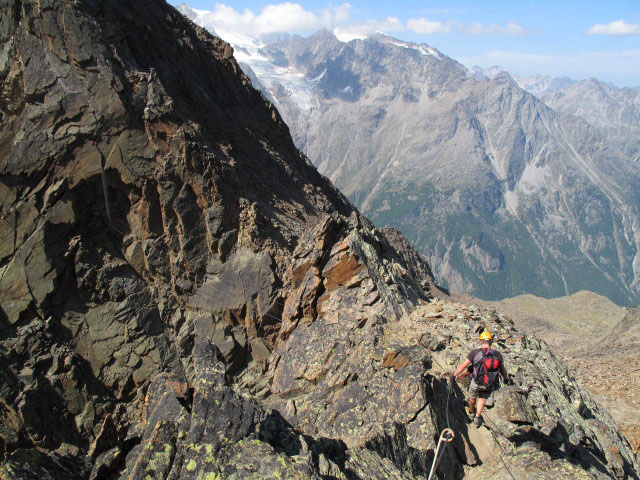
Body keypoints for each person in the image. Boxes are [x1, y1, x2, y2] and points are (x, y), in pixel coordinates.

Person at [451, 331, 509, 427]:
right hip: (489, 383)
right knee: (482, 398)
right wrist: (506, 379)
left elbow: (464, 365)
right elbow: (503, 370)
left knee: (472, 397)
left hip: (476, 380)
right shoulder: (498, 354)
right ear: (490, 341)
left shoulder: (475, 352)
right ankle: (477, 417)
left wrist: (454, 375)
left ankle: (471, 411)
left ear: (481, 341)